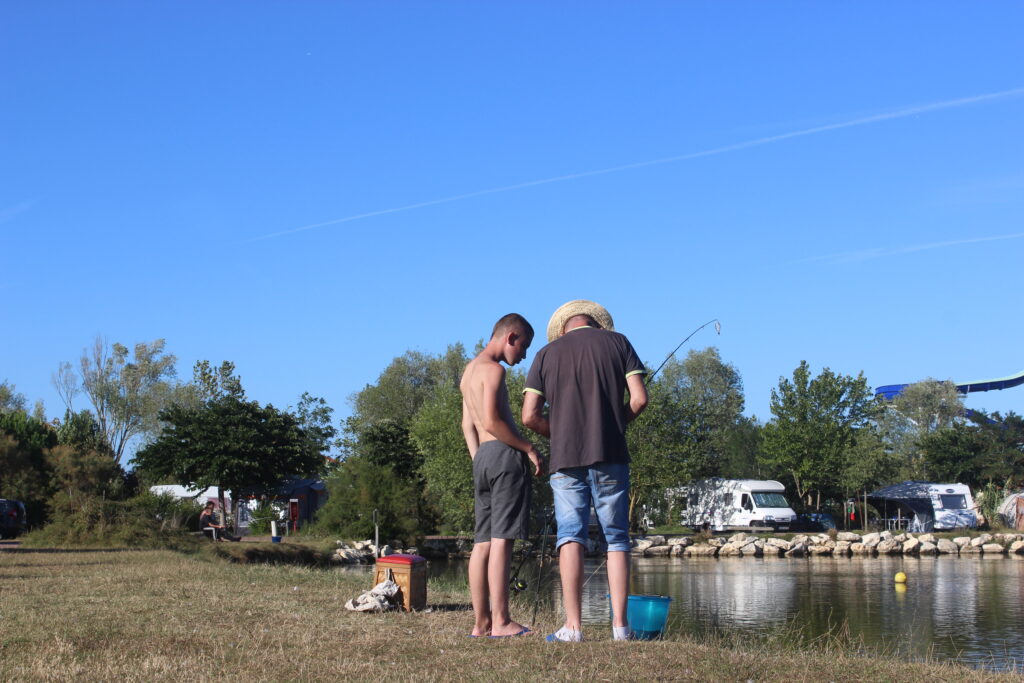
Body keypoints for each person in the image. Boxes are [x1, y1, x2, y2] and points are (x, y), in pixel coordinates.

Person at [522, 300, 647, 642]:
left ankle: (573, 627)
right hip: (610, 453)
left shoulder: (546, 355)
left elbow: (529, 415)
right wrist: (617, 423)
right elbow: (639, 399)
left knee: (570, 535)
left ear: (563, 327)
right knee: (617, 537)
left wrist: (559, 434)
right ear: (597, 323)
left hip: (565, 458)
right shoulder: (619, 343)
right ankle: (621, 628)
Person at [460, 313, 544, 638]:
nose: (523, 356)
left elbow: (468, 425)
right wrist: (528, 449)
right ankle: (503, 621)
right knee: (502, 540)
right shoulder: (494, 371)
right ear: (511, 337)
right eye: (523, 347)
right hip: (503, 456)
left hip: (481, 458)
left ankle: (480, 623)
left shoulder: (469, 372)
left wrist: (479, 458)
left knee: (481, 542)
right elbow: (495, 423)